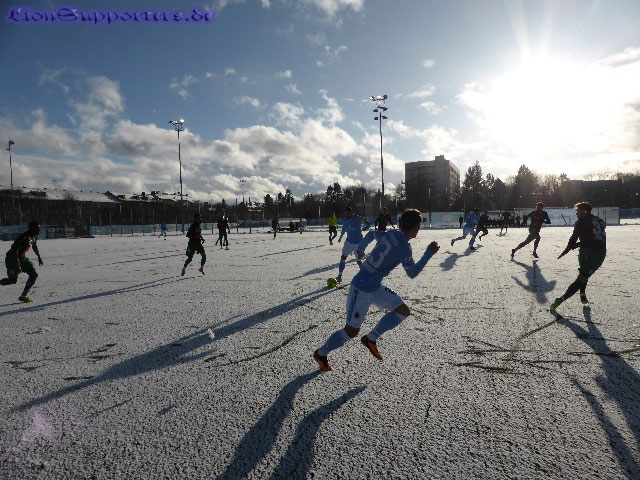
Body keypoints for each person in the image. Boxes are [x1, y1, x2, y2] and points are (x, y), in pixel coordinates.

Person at [313, 209, 440, 371]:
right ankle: (321, 353)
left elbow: (372, 234)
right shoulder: (404, 247)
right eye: (419, 225)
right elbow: (412, 273)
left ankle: (371, 338)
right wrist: (428, 253)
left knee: (403, 311)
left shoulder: (392, 234)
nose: (419, 229)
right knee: (351, 331)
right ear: (415, 226)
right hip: (361, 288)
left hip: (375, 286)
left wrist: (361, 249)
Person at [550, 202, 606, 312]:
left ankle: (561, 299)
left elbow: (574, 239)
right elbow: (596, 238)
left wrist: (567, 250)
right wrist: (578, 244)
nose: (576, 213)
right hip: (599, 252)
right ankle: (582, 294)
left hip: (588, 253)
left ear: (584, 211)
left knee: (582, 277)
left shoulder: (581, 222)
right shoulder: (600, 220)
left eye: (578, 211)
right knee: (584, 275)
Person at [1, 221, 43, 303]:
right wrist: (17, 265)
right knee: (12, 280)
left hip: (22, 258)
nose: (39, 230)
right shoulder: (23, 237)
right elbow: (14, 250)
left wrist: (39, 257)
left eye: (39, 229)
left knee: (34, 274)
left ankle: (23, 296)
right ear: (31, 229)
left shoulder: (34, 236)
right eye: (37, 229)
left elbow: (34, 245)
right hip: (12, 259)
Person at [335, 206, 371, 284]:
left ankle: (365, 275)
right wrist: (340, 237)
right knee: (343, 257)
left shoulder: (358, 218)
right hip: (348, 242)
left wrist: (366, 227)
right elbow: (344, 229)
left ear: (352, 213)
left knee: (358, 261)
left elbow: (368, 223)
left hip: (358, 243)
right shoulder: (344, 220)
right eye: (345, 214)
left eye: (348, 213)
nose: (347, 215)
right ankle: (339, 276)